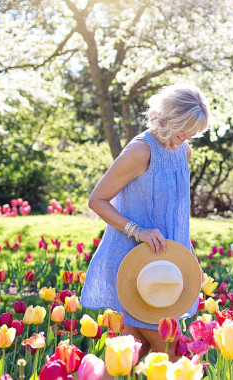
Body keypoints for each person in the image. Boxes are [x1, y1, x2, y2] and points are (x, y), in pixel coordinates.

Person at [81, 84, 210, 362]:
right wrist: (136, 231)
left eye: (192, 135)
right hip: (139, 268)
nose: (185, 140)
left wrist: (189, 258)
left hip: (167, 267)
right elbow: (97, 200)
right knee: (176, 358)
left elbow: (177, 215)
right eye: (182, 132)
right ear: (167, 120)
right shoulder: (140, 151)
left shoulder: (183, 151)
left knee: (128, 357)